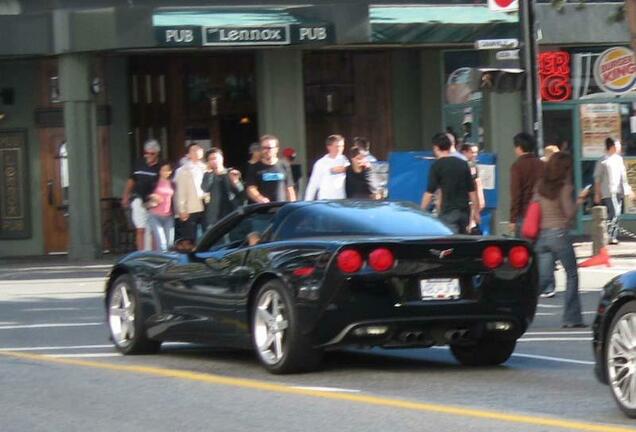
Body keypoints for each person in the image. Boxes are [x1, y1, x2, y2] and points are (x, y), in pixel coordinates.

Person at [534, 153, 587, 328]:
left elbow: (535, 208)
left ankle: (517, 309)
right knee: (571, 274)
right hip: (559, 234)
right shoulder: (564, 187)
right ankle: (572, 318)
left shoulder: (540, 186)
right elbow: (569, 213)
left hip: (542, 235)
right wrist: (579, 200)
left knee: (543, 279)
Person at [420, 133, 479, 234]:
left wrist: (420, 212)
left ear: (436, 147)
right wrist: (476, 212)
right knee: (464, 242)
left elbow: (429, 193)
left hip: (448, 212)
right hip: (464, 212)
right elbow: (472, 191)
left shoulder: (437, 166)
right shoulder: (463, 163)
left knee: (451, 244)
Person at [121, 139, 161, 251]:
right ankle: (140, 254)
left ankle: (153, 254)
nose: (148, 155)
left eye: (152, 153)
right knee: (140, 228)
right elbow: (131, 180)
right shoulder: (139, 163)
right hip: (138, 198)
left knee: (153, 229)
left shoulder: (160, 166)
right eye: (146, 153)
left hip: (153, 201)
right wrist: (125, 196)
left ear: (157, 153)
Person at [594, 137, 633, 245]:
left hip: (619, 191)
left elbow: (623, 177)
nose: (620, 147)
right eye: (618, 145)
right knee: (615, 212)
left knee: (617, 214)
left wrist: (628, 190)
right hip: (608, 192)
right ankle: (610, 236)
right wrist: (597, 193)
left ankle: (611, 235)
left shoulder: (619, 159)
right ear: (612, 147)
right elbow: (597, 178)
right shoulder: (602, 160)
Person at [201, 147, 246, 229]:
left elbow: (241, 192)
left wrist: (236, 181)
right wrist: (210, 172)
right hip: (215, 214)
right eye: (211, 159)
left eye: (216, 158)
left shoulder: (231, 172)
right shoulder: (207, 175)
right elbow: (205, 188)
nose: (214, 161)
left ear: (222, 158)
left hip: (232, 211)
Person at [509, 132, 544, 236]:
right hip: (541, 212)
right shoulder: (542, 164)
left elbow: (516, 194)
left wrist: (513, 219)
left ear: (519, 148)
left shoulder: (517, 166)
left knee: (524, 247)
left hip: (524, 213)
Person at [246, 134, 296, 203]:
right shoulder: (254, 167)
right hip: (263, 210)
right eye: (264, 148)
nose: (266, 150)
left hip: (281, 208)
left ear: (276, 149)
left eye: (269, 148)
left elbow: (289, 188)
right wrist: (260, 198)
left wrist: (293, 205)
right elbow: (251, 188)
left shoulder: (284, 165)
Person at [174, 143, 207, 242]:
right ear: (188, 155)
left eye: (199, 149)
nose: (197, 151)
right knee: (190, 237)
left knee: (207, 235)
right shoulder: (182, 170)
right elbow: (180, 191)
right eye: (194, 150)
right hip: (190, 207)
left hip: (206, 204)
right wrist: (182, 208)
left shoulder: (206, 167)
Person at [305, 134, 349, 200]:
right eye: (337, 146)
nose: (340, 149)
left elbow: (349, 168)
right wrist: (307, 202)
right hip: (325, 200)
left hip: (341, 200)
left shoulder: (344, 159)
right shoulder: (320, 163)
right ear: (329, 147)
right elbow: (313, 185)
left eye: (342, 146)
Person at [146, 162, 175, 252]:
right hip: (155, 215)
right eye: (163, 170)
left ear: (170, 171)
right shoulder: (153, 182)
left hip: (168, 216)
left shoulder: (173, 183)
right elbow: (145, 194)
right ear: (159, 171)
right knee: (161, 242)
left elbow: (175, 198)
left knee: (169, 243)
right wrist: (152, 196)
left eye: (167, 170)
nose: (165, 172)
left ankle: (168, 264)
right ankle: (160, 264)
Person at [460, 142, 485, 230]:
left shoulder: (473, 166)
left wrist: (480, 199)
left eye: (476, 152)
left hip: (471, 201)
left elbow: (477, 183)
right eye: (472, 152)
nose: (475, 155)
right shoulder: (460, 165)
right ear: (464, 152)